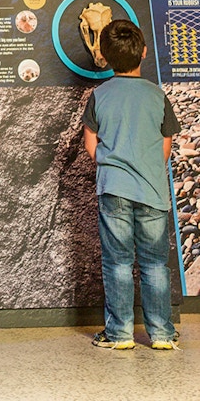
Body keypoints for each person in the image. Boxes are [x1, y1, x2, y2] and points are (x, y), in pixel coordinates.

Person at [82, 19, 181, 350]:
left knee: (118, 262)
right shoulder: (157, 94)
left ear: (105, 57)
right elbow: (166, 143)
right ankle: (162, 334)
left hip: (114, 189)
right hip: (152, 190)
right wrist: (149, 166)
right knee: (155, 264)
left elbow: (91, 145)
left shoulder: (99, 95)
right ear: (144, 52)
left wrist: (112, 167)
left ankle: (120, 333)